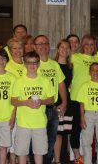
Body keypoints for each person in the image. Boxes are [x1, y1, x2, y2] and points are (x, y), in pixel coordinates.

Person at [12, 51, 54, 164]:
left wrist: (41, 102)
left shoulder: (45, 81)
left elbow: (51, 99)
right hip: (23, 123)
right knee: (21, 153)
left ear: (39, 64)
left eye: (35, 63)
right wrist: (26, 102)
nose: (32, 66)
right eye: (29, 63)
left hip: (39, 122)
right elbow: (13, 101)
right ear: (24, 64)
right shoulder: (19, 81)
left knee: (39, 152)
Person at [33, 35, 67, 164]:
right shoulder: (32, 64)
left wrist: (64, 102)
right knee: (38, 139)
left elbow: (61, 84)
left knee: (51, 139)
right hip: (38, 108)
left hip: (53, 108)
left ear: (48, 46)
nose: (42, 46)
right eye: (39, 44)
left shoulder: (54, 64)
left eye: (45, 43)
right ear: (35, 47)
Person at [70, 34, 98, 164]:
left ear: (95, 47)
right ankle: (78, 157)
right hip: (77, 98)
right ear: (82, 46)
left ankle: (93, 156)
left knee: (92, 130)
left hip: (94, 99)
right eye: (86, 44)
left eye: (92, 44)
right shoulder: (75, 57)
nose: (89, 47)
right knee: (76, 128)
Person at [53, 39, 73, 164]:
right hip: (56, 101)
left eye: (67, 48)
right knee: (57, 133)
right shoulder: (52, 64)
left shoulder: (72, 66)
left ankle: (70, 158)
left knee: (67, 132)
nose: (65, 50)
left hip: (68, 101)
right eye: (62, 47)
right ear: (58, 49)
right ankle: (57, 160)